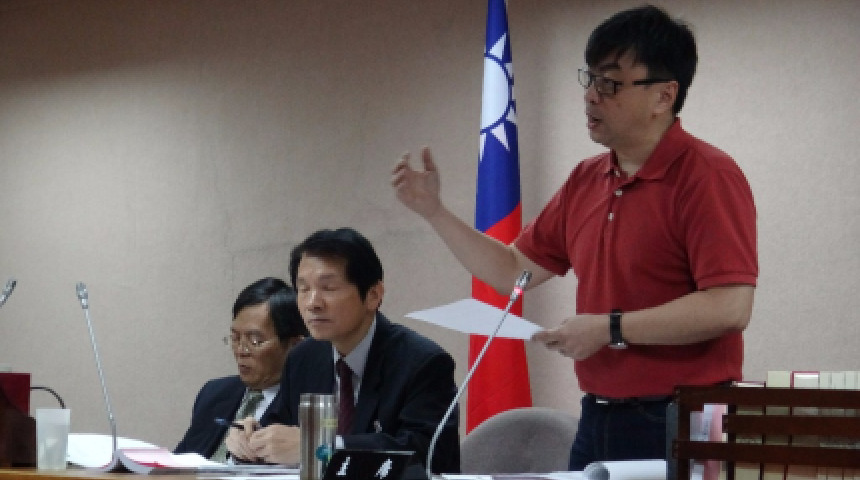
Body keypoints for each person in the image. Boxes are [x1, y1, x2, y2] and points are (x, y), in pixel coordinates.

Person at [390, 4, 757, 469]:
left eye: (611, 84)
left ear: (664, 96)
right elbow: (511, 271)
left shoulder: (707, 176)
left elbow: (729, 306)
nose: (590, 97)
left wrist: (609, 329)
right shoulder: (587, 179)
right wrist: (435, 212)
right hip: (599, 414)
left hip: (685, 415)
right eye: (590, 80)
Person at [225, 228, 460, 478]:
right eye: (303, 289)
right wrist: (249, 437)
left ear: (373, 295)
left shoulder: (422, 362)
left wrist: (319, 448)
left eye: (328, 288)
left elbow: (425, 454)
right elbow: (279, 428)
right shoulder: (304, 358)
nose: (313, 303)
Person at [174, 277, 308, 461]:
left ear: (295, 345)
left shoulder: (306, 406)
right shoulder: (214, 393)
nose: (240, 351)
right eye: (235, 338)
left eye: (255, 341)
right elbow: (179, 461)